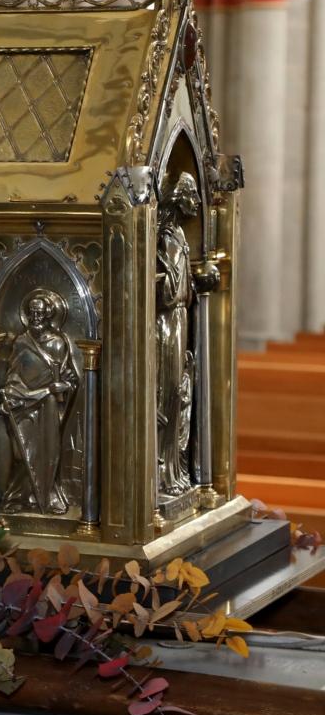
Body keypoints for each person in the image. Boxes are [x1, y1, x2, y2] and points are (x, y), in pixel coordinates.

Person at [0, 288, 81, 514]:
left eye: (40, 313)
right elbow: (13, 374)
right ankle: (17, 497)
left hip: (50, 405)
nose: (35, 317)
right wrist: (13, 393)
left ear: (48, 314)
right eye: (32, 313)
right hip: (23, 403)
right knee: (23, 452)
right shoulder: (21, 341)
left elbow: (70, 378)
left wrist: (61, 387)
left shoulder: (58, 343)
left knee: (49, 451)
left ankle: (47, 494)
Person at [156, 173, 199, 496]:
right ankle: (159, 468)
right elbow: (168, 291)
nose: (196, 202)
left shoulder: (179, 235)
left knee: (178, 391)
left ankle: (173, 467)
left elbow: (182, 288)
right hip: (166, 323)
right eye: (191, 195)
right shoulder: (167, 236)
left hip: (179, 318)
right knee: (166, 391)